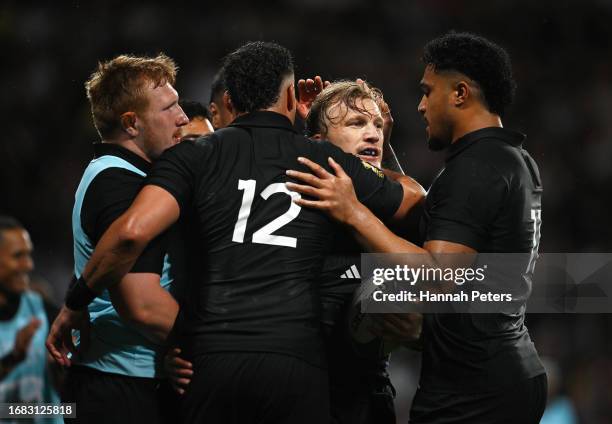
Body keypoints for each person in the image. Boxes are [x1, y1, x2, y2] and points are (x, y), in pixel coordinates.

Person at [47, 41, 423, 424]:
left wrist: (75, 301)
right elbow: (425, 227)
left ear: (230, 99)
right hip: (292, 367)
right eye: (357, 123)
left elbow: (457, 287)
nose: (372, 134)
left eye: (376, 125)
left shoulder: (196, 158)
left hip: (221, 362)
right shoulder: (326, 169)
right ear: (293, 100)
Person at [286, 32, 547, 423]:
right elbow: (418, 216)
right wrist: (370, 149)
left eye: (428, 91)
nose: (421, 106)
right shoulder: (513, 159)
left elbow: (437, 275)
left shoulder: (474, 169)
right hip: (499, 368)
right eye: (358, 123)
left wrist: (352, 211)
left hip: (473, 387)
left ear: (459, 93)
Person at [56, 53, 188, 424]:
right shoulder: (119, 184)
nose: (182, 118)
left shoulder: (116, 173)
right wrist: (214, 344)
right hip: (122, 386)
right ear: (132, 123)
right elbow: (141, 304)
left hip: (121, 379)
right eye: (170, 108)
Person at [0, 216, 62, 424]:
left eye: (29, 254)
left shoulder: (39, 306)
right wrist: (13, 359)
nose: (29, 265)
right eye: (18, 256)